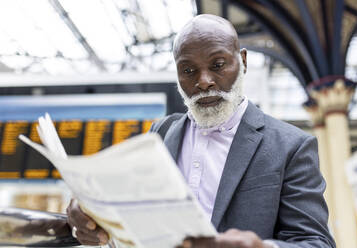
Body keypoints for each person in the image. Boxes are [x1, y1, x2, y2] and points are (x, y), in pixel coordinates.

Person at [66, 14, 336, 248]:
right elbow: (122, 205)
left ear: (242, 61)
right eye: (188, 70)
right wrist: (89, 212)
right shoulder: (160, 133)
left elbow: (315, 241)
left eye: (218, 65)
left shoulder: (290, 146)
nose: (204, 82)